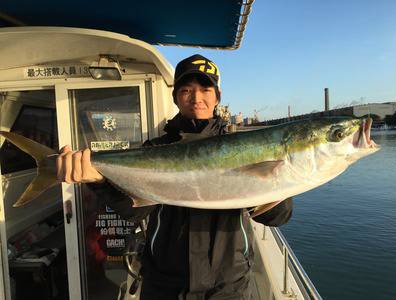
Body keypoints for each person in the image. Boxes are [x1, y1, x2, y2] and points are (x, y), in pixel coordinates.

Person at [57, 54, 293, 299]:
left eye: (205, 89)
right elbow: (135, 210)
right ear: (176, 97)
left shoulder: (242, 146)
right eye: (186, 90)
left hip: (227, 286)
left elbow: (279, 216)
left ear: (217, 96)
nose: (197, 98)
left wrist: (258, 186)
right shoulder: (155, 148)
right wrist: (99, 180)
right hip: (165, 284)